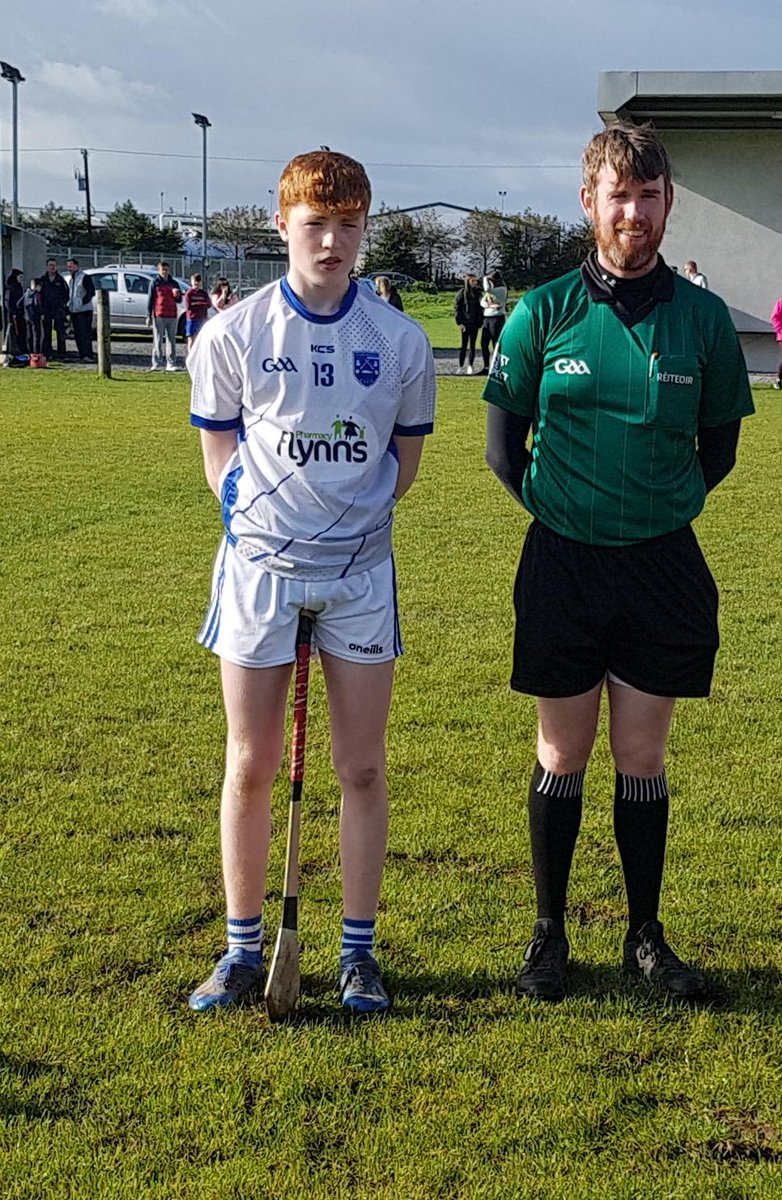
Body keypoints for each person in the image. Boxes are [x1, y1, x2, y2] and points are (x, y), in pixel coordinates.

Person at [483, 121, 754, 1004]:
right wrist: (571, 514)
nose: (631, 212)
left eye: (648, 195)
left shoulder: (704, 321)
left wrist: (647, 511)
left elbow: (719, 451)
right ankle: (548, 934)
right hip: (563, 562)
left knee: (642, 754)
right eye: (616, 195)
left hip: (661, 566)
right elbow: (501, 445)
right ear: (588, 202)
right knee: (563, 750)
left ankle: (646, 934)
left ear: (668, 204)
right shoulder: (541, 310)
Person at [186, 148, 436, 1014]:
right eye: (315, 224)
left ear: (366, 229)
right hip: (259, 574)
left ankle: (359, 953)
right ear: (281, 223)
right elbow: (219, 452)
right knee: (251, 764)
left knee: (361, 767)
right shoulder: (233, 333)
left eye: (349, 225)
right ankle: (242, 949)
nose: (332, 241)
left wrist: (347, 531)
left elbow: (403, 467)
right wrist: (260, 527)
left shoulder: (399, 341)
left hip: (360, 577)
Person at [146, 261, 182, 371]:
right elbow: (150, 299)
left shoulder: (174, 283)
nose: (165, 272)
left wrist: (177, 295)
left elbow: (179, 300)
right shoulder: (154, 282)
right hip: (159, 314)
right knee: (158, 339)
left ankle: (171, 363)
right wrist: (149, 315)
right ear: (159, 270)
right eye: (163, 269)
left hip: (171, 314)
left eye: (166, 269)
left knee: (171, 340)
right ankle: (156, 363)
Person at [64, 259, 96, 361]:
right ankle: (82, 354)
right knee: (77, 335)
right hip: (74, 311)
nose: (69, 269)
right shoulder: (71, 279)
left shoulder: (85, 277)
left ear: (76, 266)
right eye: (68, 267)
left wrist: (82, 302)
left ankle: (88, 355)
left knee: (85, 334)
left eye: (71, 266)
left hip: (84, 311)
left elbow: (91, 292)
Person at [38, 259, 70, 359]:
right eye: (51, 265)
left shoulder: (60, 280)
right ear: (47, 267)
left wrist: (62, 305)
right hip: (46, 309)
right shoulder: (42, 279)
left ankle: (61, 353)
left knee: (60, 331)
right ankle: (48, 352)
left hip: (58, 309)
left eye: (54, 265)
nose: (52, 267)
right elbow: (39, 295)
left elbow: (66, 294)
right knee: (47, 332)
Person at [454, 273, 484, 373]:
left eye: (476, 281)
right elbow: (457, 309)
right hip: (465, 323)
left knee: (472, 345)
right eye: (473, 281)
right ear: (468, 282)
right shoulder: (461, 294)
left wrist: (480, 321)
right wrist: (459, 322)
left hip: (474, 323)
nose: (475, 283)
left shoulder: (478, 293)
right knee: (463, 345)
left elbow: (481, 307)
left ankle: (470, 365)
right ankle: (460, 366)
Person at [479, 269, 507, 372]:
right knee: (484, 343)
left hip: (497, 318)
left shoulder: (501, 289)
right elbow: (482, 302)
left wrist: (485, 278)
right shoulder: (492, 291)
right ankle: (486, 366)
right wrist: (490, 305)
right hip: (487, 318)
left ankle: (497, 366)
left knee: (496, 343)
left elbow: (487, 290)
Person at [183, 273, 213, 356]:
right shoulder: (189, 293)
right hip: (192, 319)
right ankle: (191, 356)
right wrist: (199, 305)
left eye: (198, 281)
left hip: (202, 319)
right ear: (192, 282)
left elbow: (209, 304)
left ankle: (199, 356)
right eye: (195, 280)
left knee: (200, 339)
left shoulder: (203, 294)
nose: (197, 283)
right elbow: (188, 306)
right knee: (191, 339)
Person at [5, 268, 27, 355]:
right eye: (20, 277)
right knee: (17, 332)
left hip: (20, 314)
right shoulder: (11, 288)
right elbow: (8, 301)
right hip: (14, 315)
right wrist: (13, 312)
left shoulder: (18, 287)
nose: (21, 279)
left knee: (22, 332)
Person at [22, 276, 46, 356]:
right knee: (36, 335)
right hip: (35, 317)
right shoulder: (37, 295)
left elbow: (18, 304)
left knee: (29, 335)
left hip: (27, 317)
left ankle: (30, 351)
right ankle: (36, 352)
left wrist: (24, 312)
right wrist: (42, 313)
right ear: (38, 286)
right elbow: (37, 305)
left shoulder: (26, 293)